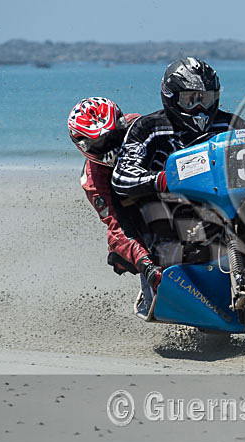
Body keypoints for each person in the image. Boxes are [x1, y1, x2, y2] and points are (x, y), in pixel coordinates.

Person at [111, 58, 245, 317]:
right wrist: (162, 180)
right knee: (183, 247)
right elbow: (121, 177)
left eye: (205, 99)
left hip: (224, 205)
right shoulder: (147, 128)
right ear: (170, 97)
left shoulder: (233, 125)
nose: (199, 107)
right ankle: (163, 282)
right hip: (167, 213)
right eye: (189, 99)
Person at [68, 97, 163, 318]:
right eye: (100, 143)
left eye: (113, 136)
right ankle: (152, 278)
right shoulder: (93, 181)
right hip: (138, 216)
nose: (110, 146)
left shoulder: (143, 126)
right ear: (83, 145)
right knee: (118, 248)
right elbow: (117, 226)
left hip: (169, 187)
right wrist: (146, 264)